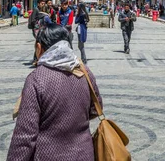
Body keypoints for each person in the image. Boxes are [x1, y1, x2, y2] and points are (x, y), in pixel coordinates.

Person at [7, 23, 102, 161]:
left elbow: (25, 135)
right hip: (84, 154)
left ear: (39, 48)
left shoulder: (37, 79)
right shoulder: (84, 72)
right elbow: (95, 109)